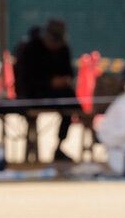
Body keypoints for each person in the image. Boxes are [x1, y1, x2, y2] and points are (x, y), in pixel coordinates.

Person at [15, 19, 78, 164]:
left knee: (71, 103)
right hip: (34, 94)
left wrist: (65, 80)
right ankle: (32, 148)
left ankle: (60, 145)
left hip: (60, 94)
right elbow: (26, 80)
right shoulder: (30, 48)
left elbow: (69, 72)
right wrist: (49, 82)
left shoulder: (63, 49)